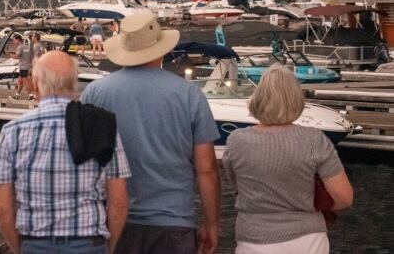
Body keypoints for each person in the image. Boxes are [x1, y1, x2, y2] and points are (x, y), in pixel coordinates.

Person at [81, 13, 221, 254]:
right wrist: (211, 223)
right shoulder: (189, 95)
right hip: (173, 221)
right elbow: (206, 168)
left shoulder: (94, 93)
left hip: (111, 221)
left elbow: (83, 161)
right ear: (161, 49)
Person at [0, 51, 131, 254]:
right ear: (74, 83)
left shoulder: (13, 131)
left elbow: (1, 209)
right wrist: (108, 247)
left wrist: (19, 248)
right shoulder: (100, 124)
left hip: (36, 242)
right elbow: (119, 201)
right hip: (88, 242)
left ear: (35, 83)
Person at [223, 66, 353, 254]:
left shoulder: (236, 141)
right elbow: (344, 197)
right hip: (308, 240)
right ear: (296, 99)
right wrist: (312, 203)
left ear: (258, 97)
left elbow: (238, 187)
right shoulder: (314, 139)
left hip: (254, 239)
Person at [9, 33, 34, 100]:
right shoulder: (26, 47)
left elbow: (17, 56)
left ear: (18, 40)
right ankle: (17, 95)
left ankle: (31, 96)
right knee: (20, 81)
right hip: (27, 66)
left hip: (23, 67)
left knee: (25, 82)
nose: (13, 42)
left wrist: (11, 56)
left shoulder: (19, 47)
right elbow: (30, 56)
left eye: (14, 40)